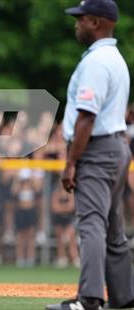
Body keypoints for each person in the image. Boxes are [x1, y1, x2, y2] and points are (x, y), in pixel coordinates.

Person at [46, 1, 134, 309]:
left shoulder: (97, 62)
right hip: (115, 145)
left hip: (96, 149)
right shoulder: (115, 58)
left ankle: (89, 299)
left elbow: (86, 116)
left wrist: (71, 162)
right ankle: (123, 297)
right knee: (112, 225)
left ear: (96, 22)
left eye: (81, 19)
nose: (76, 24)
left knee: (91, 223)